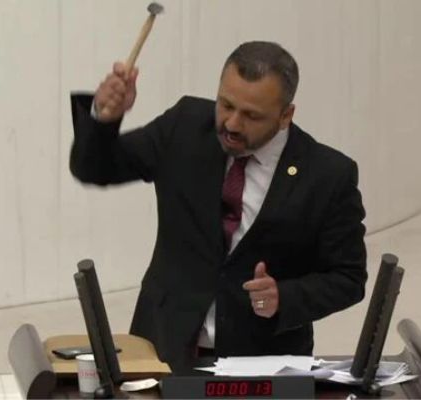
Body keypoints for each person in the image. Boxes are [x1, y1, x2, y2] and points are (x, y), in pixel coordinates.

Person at [69, 41, 367, 371]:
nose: (232, 124)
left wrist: (285, 296)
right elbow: (94, 168)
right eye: (226, 105)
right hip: (166, 349)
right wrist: (103, 119)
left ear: (286, 115)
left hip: (262, 362)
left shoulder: (327, 175)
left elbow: (348, 278)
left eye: (252, 115)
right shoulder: (184, 127)